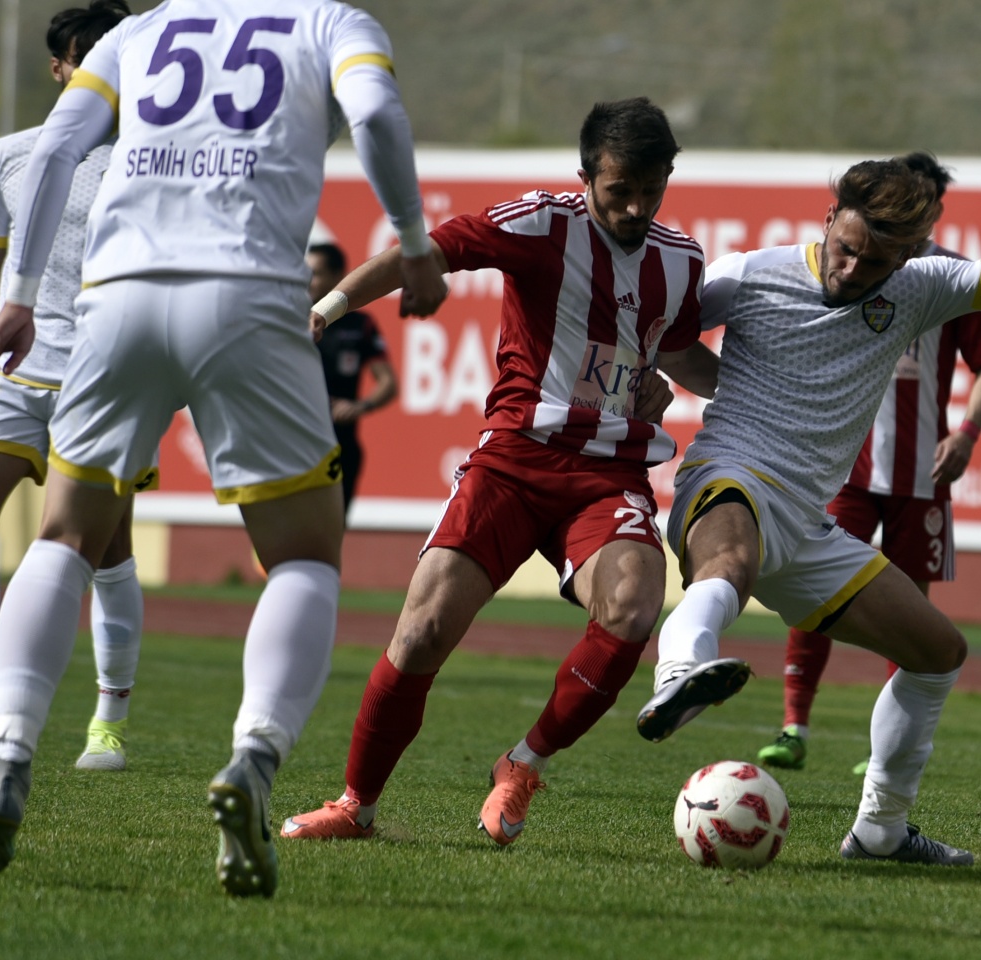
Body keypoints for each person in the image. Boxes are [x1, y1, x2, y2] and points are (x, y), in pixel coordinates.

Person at [0, 0, 447, 898]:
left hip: (118, 298)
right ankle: (252, 765)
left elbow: (58, 150)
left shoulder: (140, 30)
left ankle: (9, 754)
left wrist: (18, 295)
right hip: (250, 291)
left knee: (64, 536)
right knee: (302, 556)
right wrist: (413, 243)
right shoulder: (331, 22)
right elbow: (375, 113)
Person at [638, 91, 981, 867]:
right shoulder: (749, 274)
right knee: (729, 564)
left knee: (937, 653)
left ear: (912, 253)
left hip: (809, 527)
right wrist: (694, 379)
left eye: (876, 262)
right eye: (847, 247)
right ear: (828, 218)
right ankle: (682, 670)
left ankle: (880, 832)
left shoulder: (921, 288)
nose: (853, 271)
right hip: (730, 476)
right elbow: (662, 333)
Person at [280, 97, 718, 848]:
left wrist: (680, 383)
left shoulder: (680, 261)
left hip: (609, 473)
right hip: (514, 461)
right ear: (585, 178)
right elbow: (422, 256)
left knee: (636, 606)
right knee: (420, 631)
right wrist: (329, 307)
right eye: (620, 191)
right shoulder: (542, 223)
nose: (637, 207)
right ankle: (357, 805)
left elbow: (675, 356)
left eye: (653, 189)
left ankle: (521, 764)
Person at [756, 153, 981, 775]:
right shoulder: (853, 260)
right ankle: (794, 725)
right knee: (812, 589)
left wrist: (969, 434)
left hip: (922, 470)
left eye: (930, 205)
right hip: (850, 467)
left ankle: (882, 753)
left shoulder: (949, 278)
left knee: (910, 612)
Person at [0, 1, 140, 774]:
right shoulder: (10, 156)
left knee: (106, 549)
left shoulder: (143, 157)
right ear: (59, 66)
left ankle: (109, 719)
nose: (98, 65)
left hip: (106, 374)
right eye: (84, 54)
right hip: (14, 363)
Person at [307, 242, 398, 517]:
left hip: (341, 446)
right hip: (297, 440)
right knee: (288, 532)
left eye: (316, 273)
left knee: (330, 529)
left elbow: (389, 383)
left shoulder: (360, 325)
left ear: (338, 277)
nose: (308, 280)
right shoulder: (290, 319)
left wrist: (360, 407)